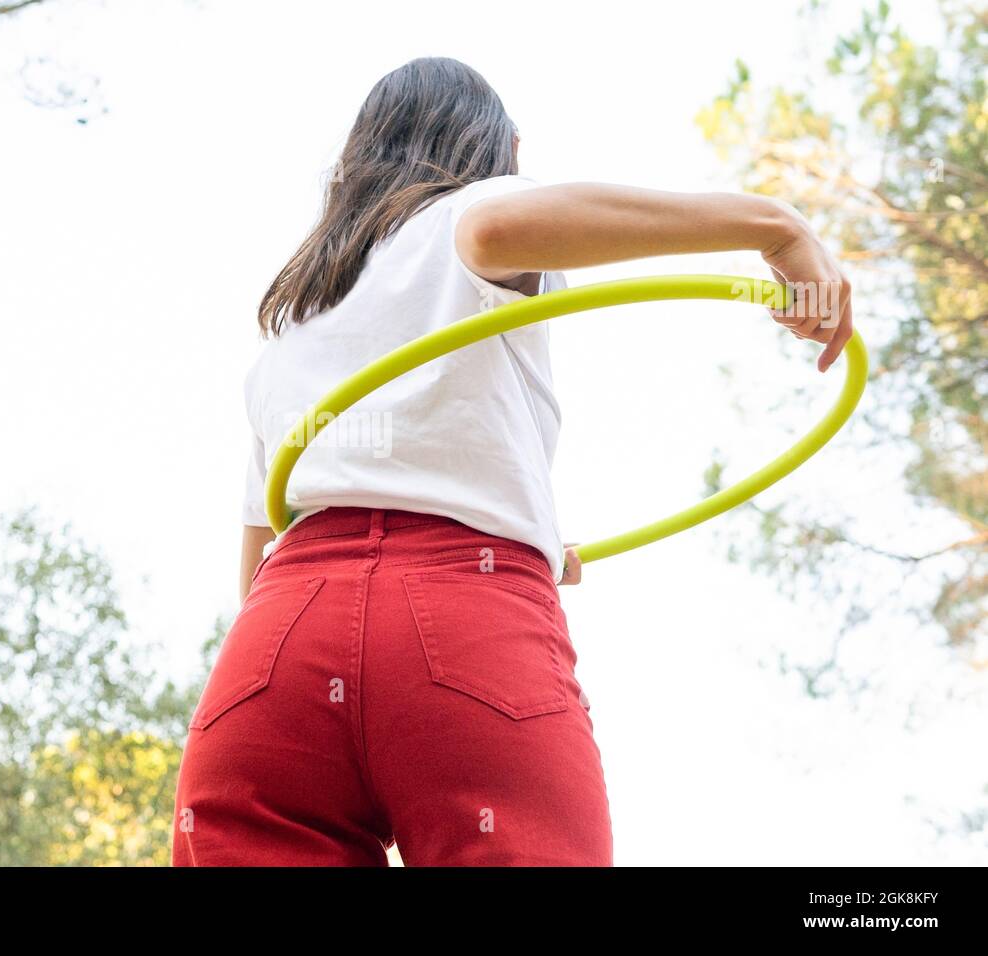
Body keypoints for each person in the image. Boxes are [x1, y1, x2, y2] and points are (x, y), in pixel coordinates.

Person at [172, 56, 852, 866]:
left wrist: (506, 525)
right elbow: (495, 228)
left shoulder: (294, 321)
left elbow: (264, 561)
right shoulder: (473, 208)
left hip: (273, 653)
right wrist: (775, 225)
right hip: (460, 624)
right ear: (501, 151)